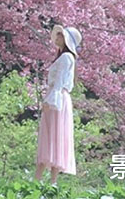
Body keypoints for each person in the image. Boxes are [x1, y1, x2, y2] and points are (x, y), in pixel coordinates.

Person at [34, 24, 82, 184]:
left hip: (57, 99)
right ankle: (46, 180)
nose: (57, 38)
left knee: (54, 135)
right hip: (57, 97)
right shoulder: (64, 58)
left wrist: (50, 101)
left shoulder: (66, 58)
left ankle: (44, 180)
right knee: (53, 135)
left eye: (61, 35)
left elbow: (60, 81)